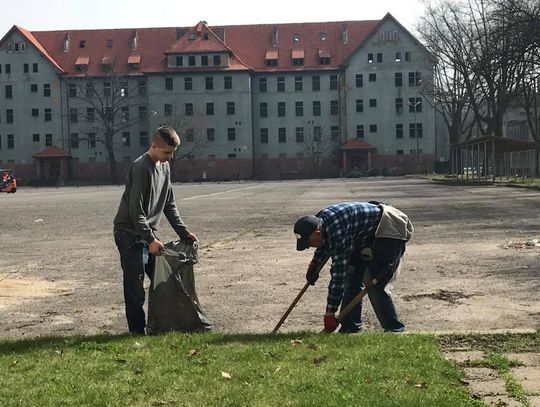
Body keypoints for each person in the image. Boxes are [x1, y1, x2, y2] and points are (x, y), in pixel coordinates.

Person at [113, 126, 197, 334]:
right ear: (154, 146)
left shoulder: (165, 167)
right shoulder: (141, 167)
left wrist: (183, 232)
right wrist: (150, 239)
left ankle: (163, 324)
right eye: (167, 152)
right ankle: (136, 331)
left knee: (165, 281)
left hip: (146, 234)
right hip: (129, 233)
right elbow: (135, 211)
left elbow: (169, 204)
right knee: (135, 286)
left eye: (173, 152)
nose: (170, 156)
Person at [293, 202, 413, 333]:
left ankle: (394, 329)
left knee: (374, 282)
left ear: (317, 232)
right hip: (362, 233)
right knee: (351, 278)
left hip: (389, 228)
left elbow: (338, 275)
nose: (309, 246)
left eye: (308, 242)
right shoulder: (319, 223)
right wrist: (314, 265)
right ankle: (350, 328)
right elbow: (325, 243)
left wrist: (330, 313)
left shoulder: (338, 232)